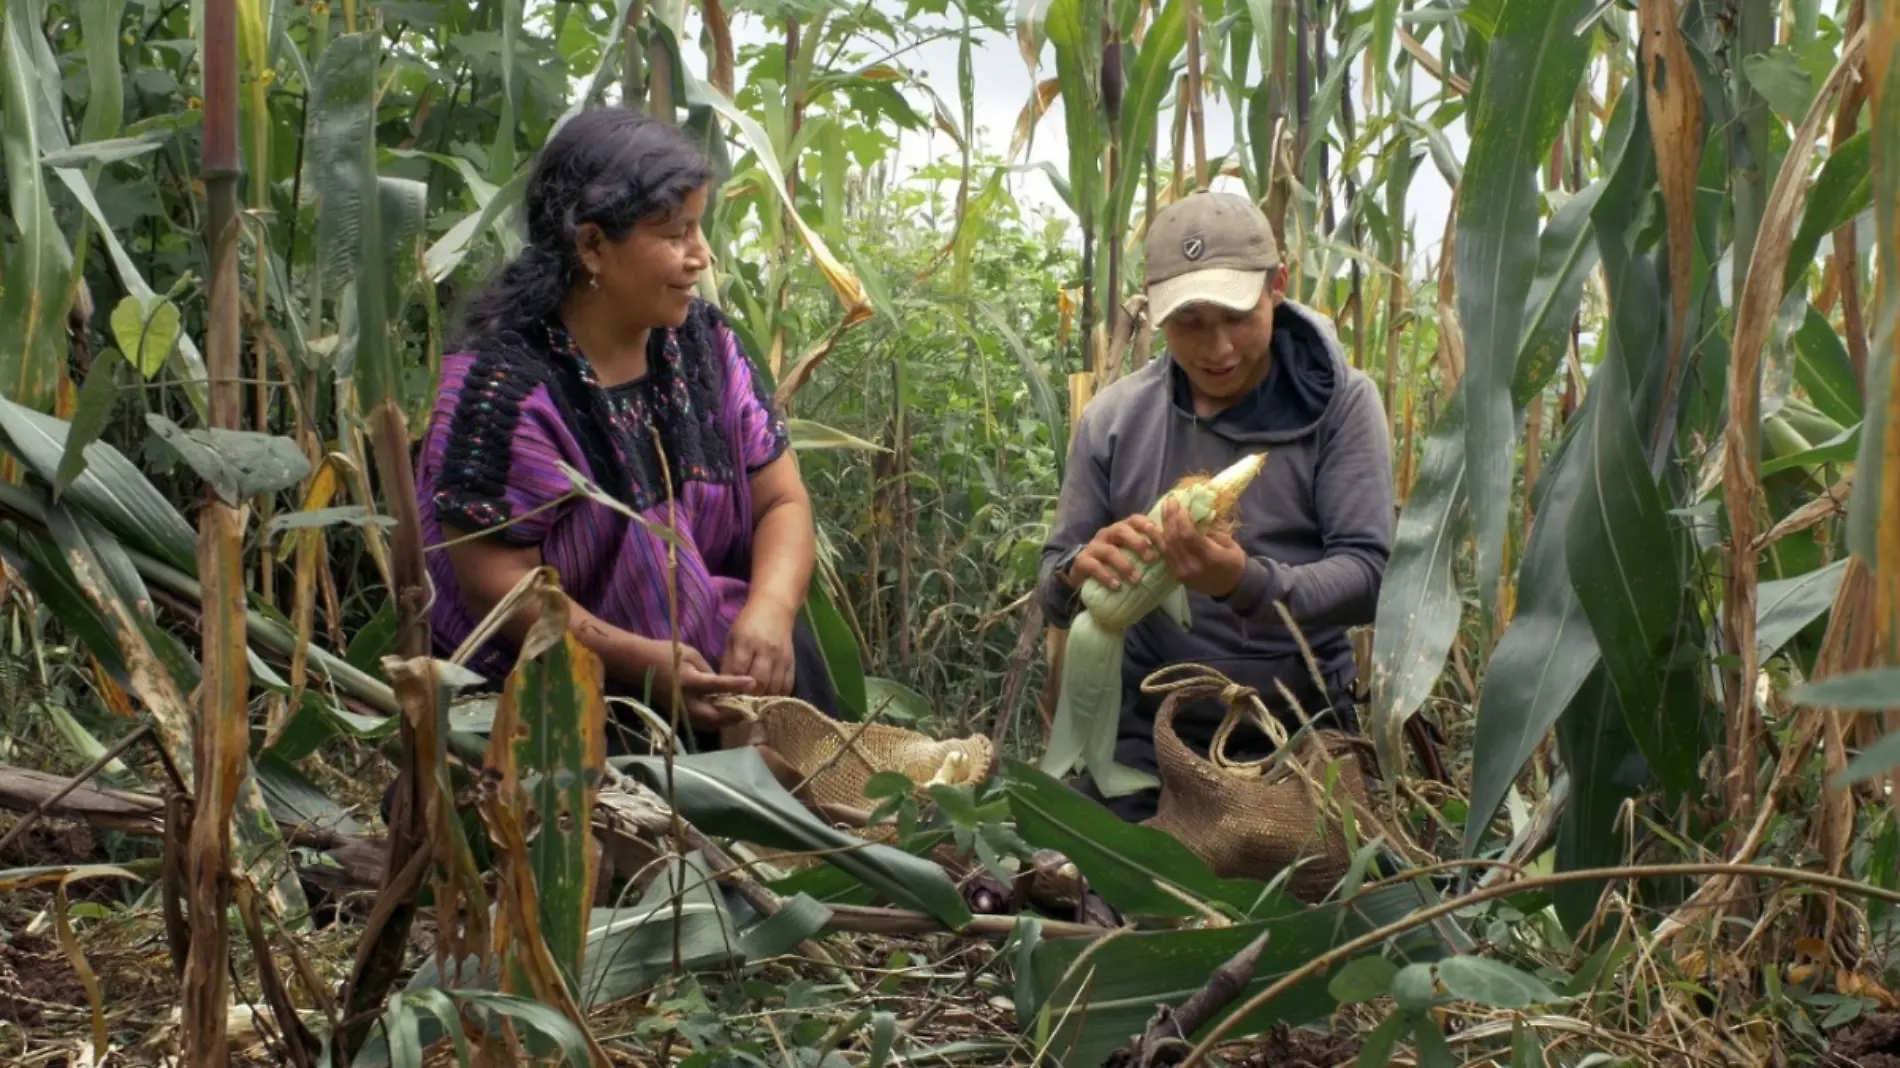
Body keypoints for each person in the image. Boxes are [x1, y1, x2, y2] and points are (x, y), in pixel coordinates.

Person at [414, 107, 840, 752]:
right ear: (591, 245)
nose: (702, 256)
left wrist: (770, 613)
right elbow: (497, 583)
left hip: (719, 663)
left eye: (699, 229)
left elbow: (781, 499)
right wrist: (642, 662)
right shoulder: (501, 394)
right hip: (566, 702)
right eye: (676, 234)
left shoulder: (704, 346)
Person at [1036, 190, 1394, 822]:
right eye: (1190, 324)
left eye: (1236, 316)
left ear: (1277, 286)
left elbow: (1371, 577)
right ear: (1155, 314)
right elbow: (1054, 580)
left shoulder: (1343, 407)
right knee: (1079, 879)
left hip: (1297, 729)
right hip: (1147, 735)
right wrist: (1079, 573)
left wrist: (1245, 584)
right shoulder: (1116, 419)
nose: (1218, 348)